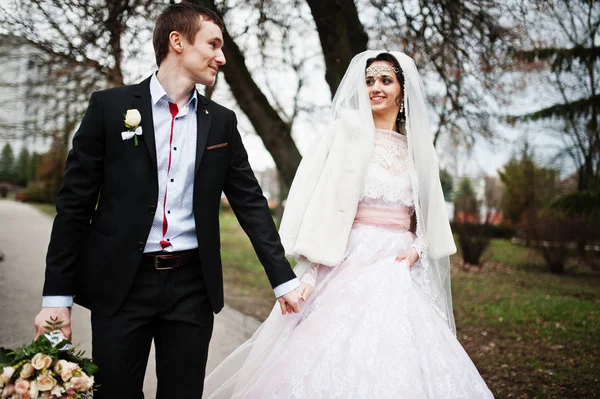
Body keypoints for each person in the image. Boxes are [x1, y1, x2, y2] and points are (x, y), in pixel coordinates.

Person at [33, 3, 303, 398]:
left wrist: (283, 280)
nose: (221, 57)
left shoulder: (221, 121)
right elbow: (73, 208)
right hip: (122, 285)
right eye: (213, 44)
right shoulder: (109, 109)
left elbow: (250, 204)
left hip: (192, 287)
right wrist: (57, 299)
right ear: (177, 41)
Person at [203, 50, 494, 398]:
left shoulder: (419, 149)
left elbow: (429, 217)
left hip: (400, 270)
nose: (376, 87)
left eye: (386, 80)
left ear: (402, 90)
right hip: (348, 259)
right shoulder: (341, 136)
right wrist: (307, 272)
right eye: (369, 80)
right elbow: (320, 208)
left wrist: (416, 251)